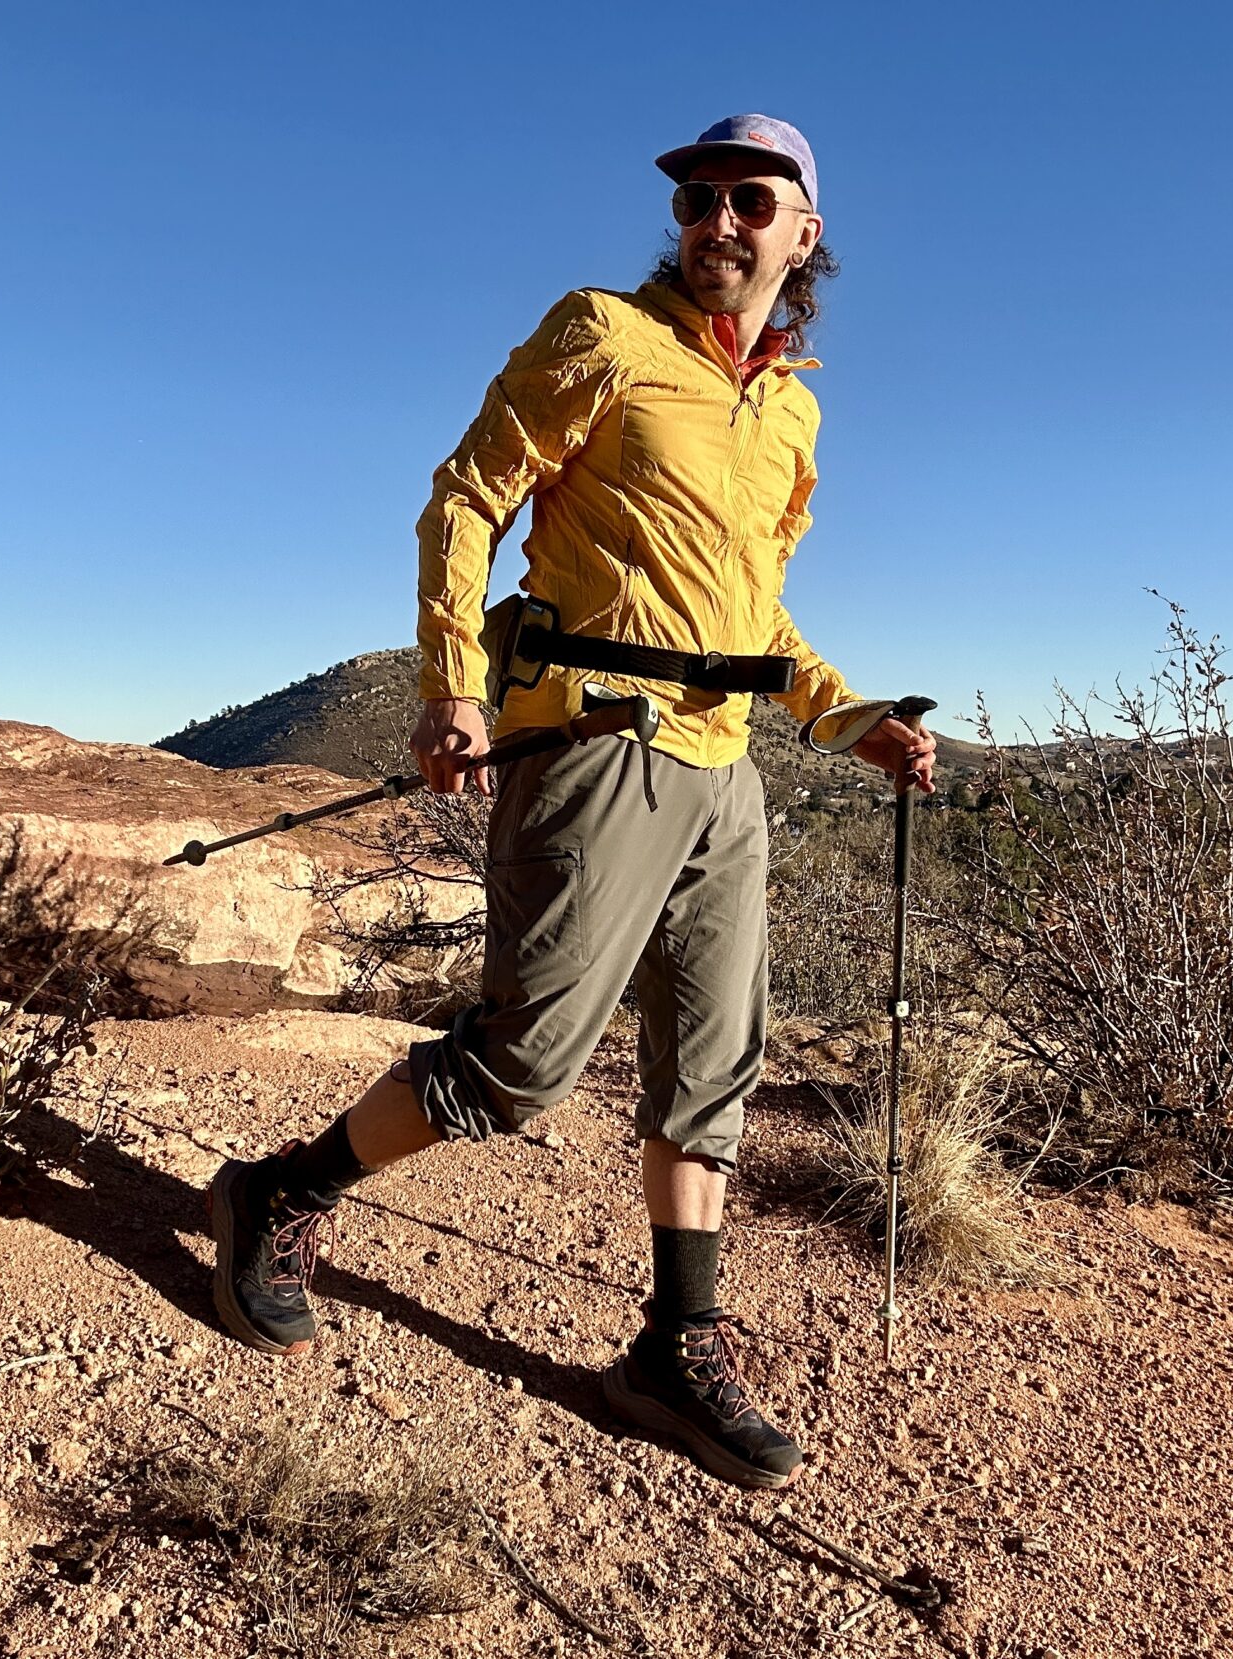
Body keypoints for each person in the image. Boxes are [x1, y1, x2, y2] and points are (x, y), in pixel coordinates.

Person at [204, 114, 934, 1491]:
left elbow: (759, 616)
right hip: (592, 747)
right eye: (701, 199)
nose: (719, 222)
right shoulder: (603, 331)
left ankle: (676, 1340)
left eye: (751, 202)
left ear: (805, 232)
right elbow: (467, 496)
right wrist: (450, 683)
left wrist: (852, 721)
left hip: (726, 773)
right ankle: (280, 1196)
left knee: (711, 1066)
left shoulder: (791, 406)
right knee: (523, 1064)